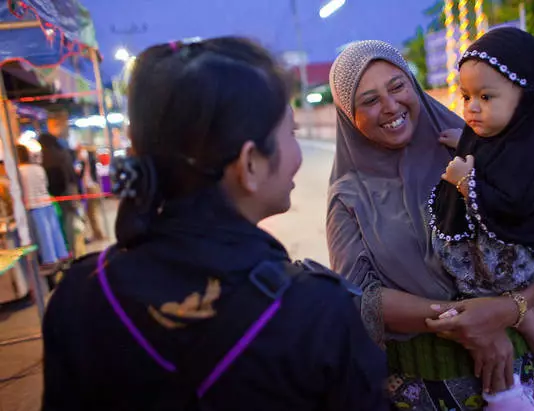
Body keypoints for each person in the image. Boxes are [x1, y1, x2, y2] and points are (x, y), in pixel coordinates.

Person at [42, 36, 389, 411]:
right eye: (290, 133)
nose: (296, 152)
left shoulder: (79, 295)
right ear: (251, 163)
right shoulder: (319, 314)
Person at [326, 40, 534, 410]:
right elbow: (361, 297)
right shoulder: (347, 196)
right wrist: (464, 323)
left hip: (518, 370)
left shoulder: (475, 146)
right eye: (368, 100)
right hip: (422, 389)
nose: (390, 106)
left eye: (397, 86)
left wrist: (508, 309)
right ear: (348, 116)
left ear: (413, 86)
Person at [430, 28, 534, 410]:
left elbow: (511, 204)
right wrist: (461, 142)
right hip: (496, 264)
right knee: (522, 318)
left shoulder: (527, 156)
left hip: (510, 264)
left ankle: (509, 394)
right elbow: (478, 146)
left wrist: (466, 182)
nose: (472, 108)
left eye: (486, 96)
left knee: (500, 319)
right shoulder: (492, 137)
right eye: (467, 97)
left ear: (526, 99)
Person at [16, 144, 69, 271]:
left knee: (43, 233)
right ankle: (62, 254)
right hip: (47, 202)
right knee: (55, 230)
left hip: (34, 206)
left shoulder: (20, 171)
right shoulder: (38, 168)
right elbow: (46, 184)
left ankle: (50, 259)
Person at [38, 111, 82, 257]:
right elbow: (69, 174)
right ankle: (70, 251)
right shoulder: (59, 151)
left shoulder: (44, 155)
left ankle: (64, 251)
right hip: (65, 193)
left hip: (52, 196)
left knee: (58, 224)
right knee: (68, 221)